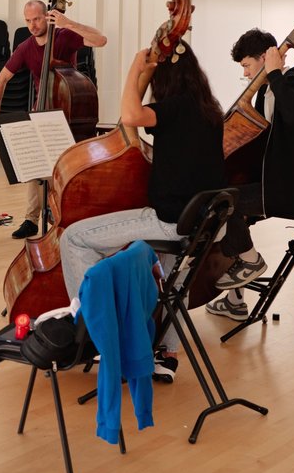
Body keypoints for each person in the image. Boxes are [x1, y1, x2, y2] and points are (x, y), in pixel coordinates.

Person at [60, 43, 225, 383]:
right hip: (198, 223)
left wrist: (137, 69)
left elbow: (129, 118)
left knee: (74, 238)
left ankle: (100, 337)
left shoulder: (174, 107)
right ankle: (166, 352)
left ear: (165, 79)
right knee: (174, 275)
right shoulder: (209, 110)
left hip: (169, 221)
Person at [206, 28, 294, 321]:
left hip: (292, 189)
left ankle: (250, 261)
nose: (246, 74)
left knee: (224, 201)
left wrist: (274, 73)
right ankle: (236, 300)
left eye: (247, 65)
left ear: (265, 57)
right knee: (227, 199)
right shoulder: (266, 92)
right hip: (277, 182)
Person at [0, 0, 107, 240]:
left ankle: (62, 215)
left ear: (47, 16)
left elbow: (100, 40)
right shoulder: (26, 47)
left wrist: (69, 23)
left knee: (63, 168)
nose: (32, 25)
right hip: (41, 111)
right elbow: (2, 79)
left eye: (36, 19)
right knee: (34, 164)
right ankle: (31, 220)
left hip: (66, 114)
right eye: (28, 21)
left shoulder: (64, 36)